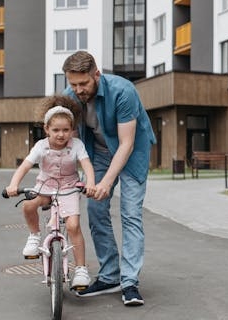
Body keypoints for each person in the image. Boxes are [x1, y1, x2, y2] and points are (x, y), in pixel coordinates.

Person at [62, 51, 156, 306]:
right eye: (73, 84)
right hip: (100, 154)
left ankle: (129, 282)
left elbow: (126, 144)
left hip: (132, 151)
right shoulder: (71, 98)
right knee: (95, 209)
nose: (79, 90)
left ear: (96, 75)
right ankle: (110, 275)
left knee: (130, 213)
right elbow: (65, 138)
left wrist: (106, 183)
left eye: (84, 83)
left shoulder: (122, 91)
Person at [5, 95, 97, 290]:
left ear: (72, 130)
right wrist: (13, 184)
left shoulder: (77, 145)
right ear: (46, 129)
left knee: (73, 226)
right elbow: (25, 166)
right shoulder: (41, 146)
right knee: (29, 204)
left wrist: (91, 183)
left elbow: (87, 165)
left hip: (69, 188)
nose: (61, 135)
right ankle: (34, 235)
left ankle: (80, 269)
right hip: (45, 186)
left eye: (66, 130)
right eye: (55, 130)